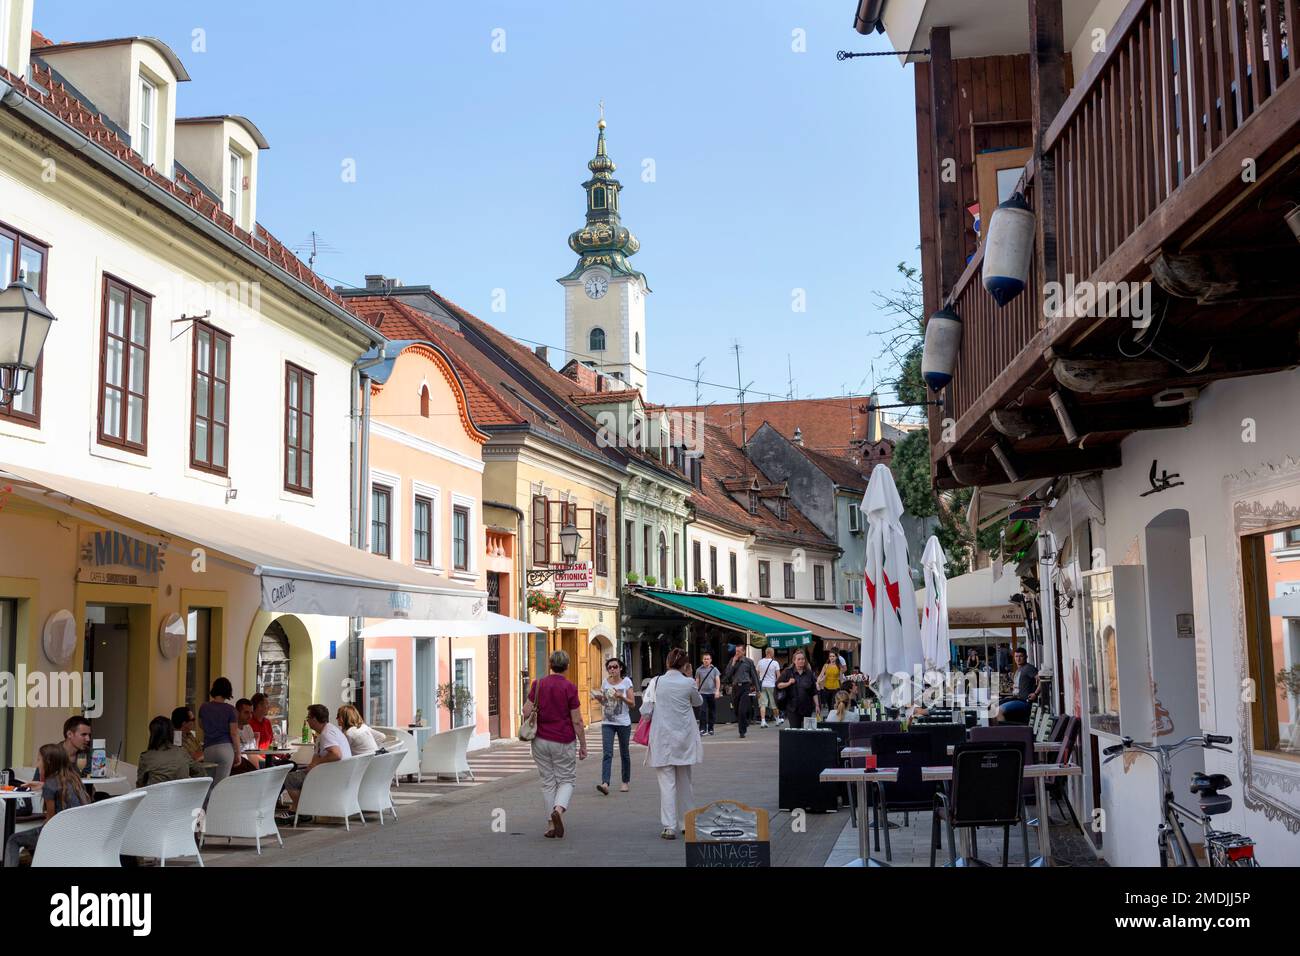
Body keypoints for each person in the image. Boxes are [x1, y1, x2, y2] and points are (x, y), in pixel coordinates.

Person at [522, 650, 586, 839]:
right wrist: (583, 744)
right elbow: (577, 720)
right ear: (567, 666)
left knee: (548, 781)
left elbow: (526, 711)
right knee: (566, 779)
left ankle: (551, 825)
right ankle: (558, 810)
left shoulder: (538, 684)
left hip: (540, 740)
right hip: (563, 740)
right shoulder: (570, 687)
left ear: (550, 664)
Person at [643, 648, 703, 840]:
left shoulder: (656, 682)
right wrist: (689, 677)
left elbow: (645, 710)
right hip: (683, 738)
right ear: (685, 665)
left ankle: (669, 826)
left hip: (662, 738)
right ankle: (687, 823)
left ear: (667, 662)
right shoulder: (688, 682)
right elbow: (698, 702)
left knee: (666, 784)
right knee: (685, 782)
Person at [4, 743, 91, 866]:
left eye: (39, 759)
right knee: (32, 838)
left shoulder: (50, 784)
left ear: (48, 762)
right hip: (78, 833)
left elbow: (50, 822)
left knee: (13, 840)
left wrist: (46, 788)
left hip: (59, 834)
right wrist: (43, 786)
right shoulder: (74, 779)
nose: (37, 764)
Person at [280, 703, 352, 819]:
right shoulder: (330, 730)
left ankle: (300, 811)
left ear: (314, 719)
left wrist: (317, 763)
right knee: (299, 773)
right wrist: (313, 764)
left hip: (333, 777)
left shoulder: (326, 734)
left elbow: (336, 754)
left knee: (290, 778)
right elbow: (317, 755)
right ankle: (301, 809)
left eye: (308, 717)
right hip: (341, 774)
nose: (307, 721)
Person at [592, 658, 634, 795]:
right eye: (609, 667)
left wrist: (621, 696)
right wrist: (599, 699)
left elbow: (632, 704)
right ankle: (605, 783)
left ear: (620, 668)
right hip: (607, 722)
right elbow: (605, 703)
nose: (612, 669)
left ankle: (625, 781)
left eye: (615, 667)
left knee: (624, 753)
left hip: (623, 723)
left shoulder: (627, 682)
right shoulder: (605, 683)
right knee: (607, 753)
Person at [137, 715, 206, 787]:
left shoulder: (146, 757)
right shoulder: (182, 752)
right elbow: (200, 773)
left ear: (152, 734)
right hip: (181, 796)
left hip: (156, 796)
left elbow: (140, 785)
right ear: (171, 732)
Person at [198, 677, 240, 783]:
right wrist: (238, 753)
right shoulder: (231, 710)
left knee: (209, 782)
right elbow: (234, 733)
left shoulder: (204, 707)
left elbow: (201, 725)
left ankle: (207, 800)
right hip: (225, 748)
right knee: (221, 784)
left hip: (208, 749)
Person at [722, 644, 760, 739]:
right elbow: (727, 675)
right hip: (735, 687)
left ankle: (742, 731)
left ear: (743, 652)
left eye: (739, 651)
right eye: (736, 651)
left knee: (742, 710)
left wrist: (758, 690)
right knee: (736, 710)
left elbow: (754, 676)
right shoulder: (732, 660)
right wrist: (733, 663)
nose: (737, 653)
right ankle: (744, 722)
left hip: (745, 687)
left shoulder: (749, 662)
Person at [997, 648, 1039, 722]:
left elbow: (1042, 680)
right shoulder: (1018, 669)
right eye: (1016, 656)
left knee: (998, 712)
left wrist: (1035, 693)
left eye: (1021, 656)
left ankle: (1005, 732)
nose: (1018, 659)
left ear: (1026, 657)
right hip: (1016, 699)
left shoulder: (1028, 668)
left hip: (1024, 702)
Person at [778, 649, 819, 725]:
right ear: (794, 661)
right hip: (792, 708)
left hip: (807, 708)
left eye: (803, 659)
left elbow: (814, 691)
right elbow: (778, 685)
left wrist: (817, 705)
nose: (801, 661)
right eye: (799, 659)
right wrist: (788, 683)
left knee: (806, 731)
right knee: (795, 730)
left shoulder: (809, 673)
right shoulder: (787, 672)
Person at [694, 652, 721, 735]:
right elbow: (697, 681)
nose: (706, 660)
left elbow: (717, 680)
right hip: (702, 693)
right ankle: (702, 729)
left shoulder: (714, 669)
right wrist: (696, 692)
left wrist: (717, 691)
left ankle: (711, 728)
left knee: (712, 711)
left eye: (707, 659)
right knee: (702, 711)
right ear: (702, 660)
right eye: (704, 659)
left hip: (712, 693)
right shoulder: (699, 670)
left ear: (710, 660)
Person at [756, 647, 782, 727]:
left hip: (762, 685)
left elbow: (756, 674)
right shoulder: (775, 663)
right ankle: (777, 719)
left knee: (762, 704)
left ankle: (763, 721)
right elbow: (778, 676)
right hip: (772, 685)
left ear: (766, 653)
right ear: (771, 653)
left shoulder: (760, 662)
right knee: (774, 704)